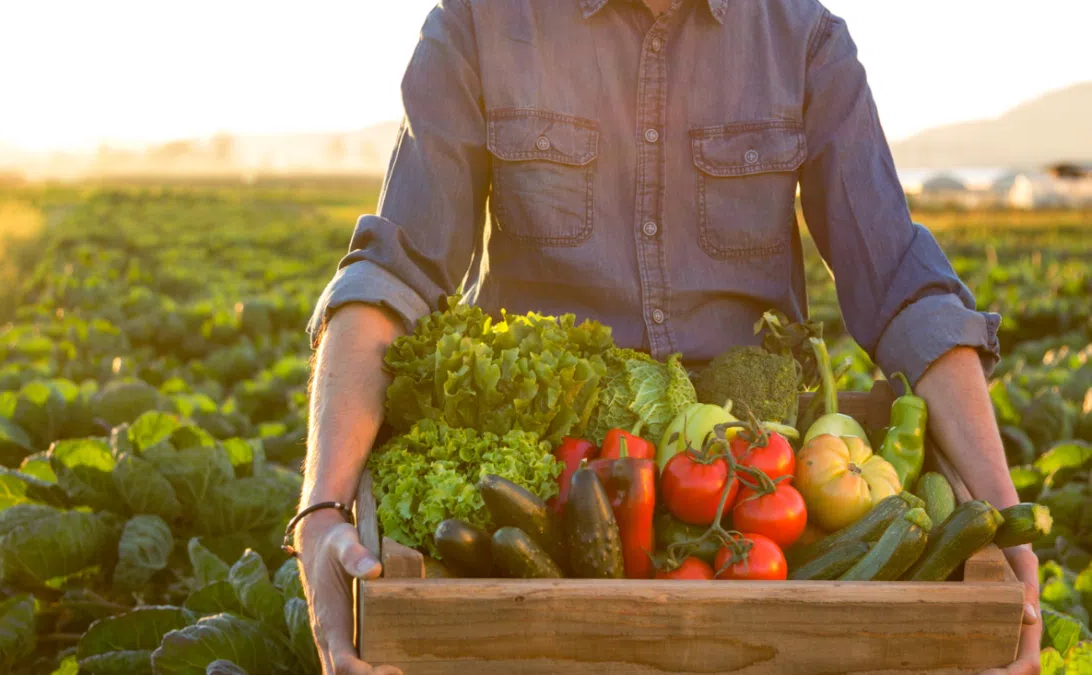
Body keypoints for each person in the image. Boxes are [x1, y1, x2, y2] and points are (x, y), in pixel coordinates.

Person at [289, 1, 1041, 673]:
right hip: (545, 486)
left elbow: (903, 283)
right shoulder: (480, 24)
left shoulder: (803, 39)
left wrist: (1004, 518)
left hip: (755, 483)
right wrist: (322, 510)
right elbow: (393, 273)